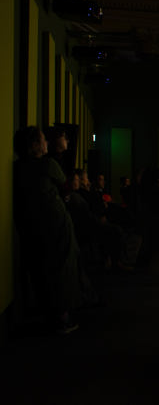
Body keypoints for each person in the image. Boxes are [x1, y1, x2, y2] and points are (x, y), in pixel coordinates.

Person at [13, 126, 81, 334]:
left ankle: (52, 314)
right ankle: (62, 316)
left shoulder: (18, 168)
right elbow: (66, 187)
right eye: (43, 139)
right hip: (56, 223)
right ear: (34, 145)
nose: (46, 143)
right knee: (62, 268)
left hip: (33, 226)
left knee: (44, 270)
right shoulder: (48, 164)